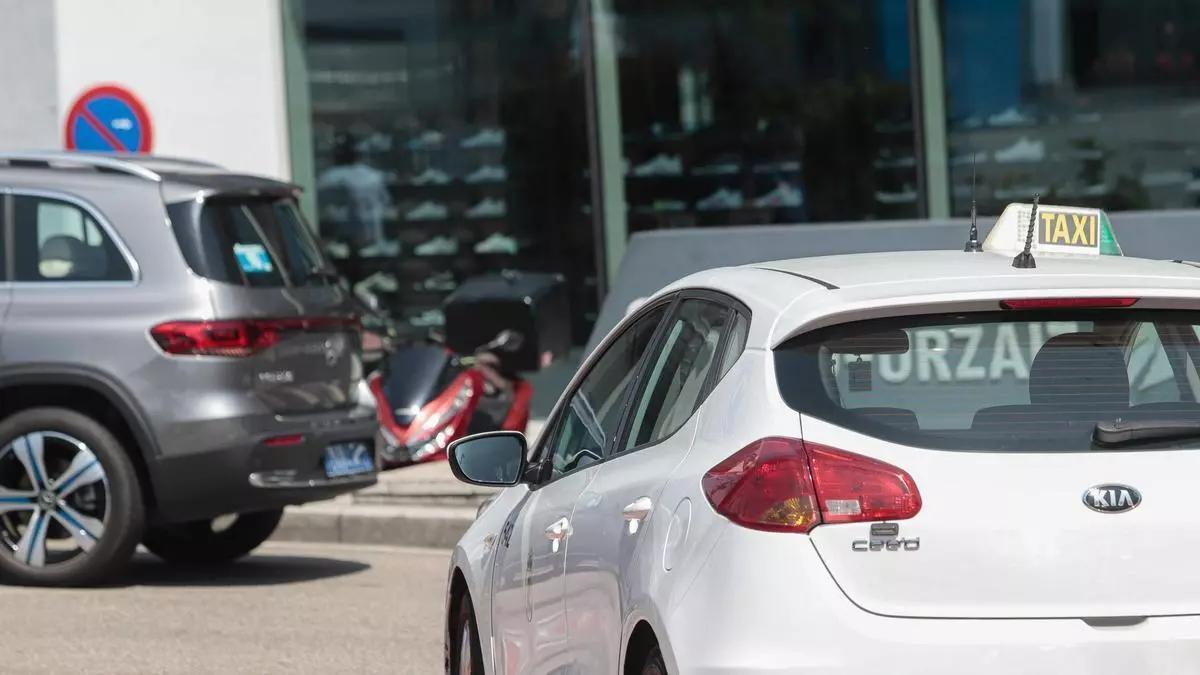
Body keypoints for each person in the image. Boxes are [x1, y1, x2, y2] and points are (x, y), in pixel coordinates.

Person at [316, 133, 397, 256]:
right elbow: (386, 204)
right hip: (365, 238)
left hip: (350, 240)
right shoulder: (373, 175)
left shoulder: (328, 178)